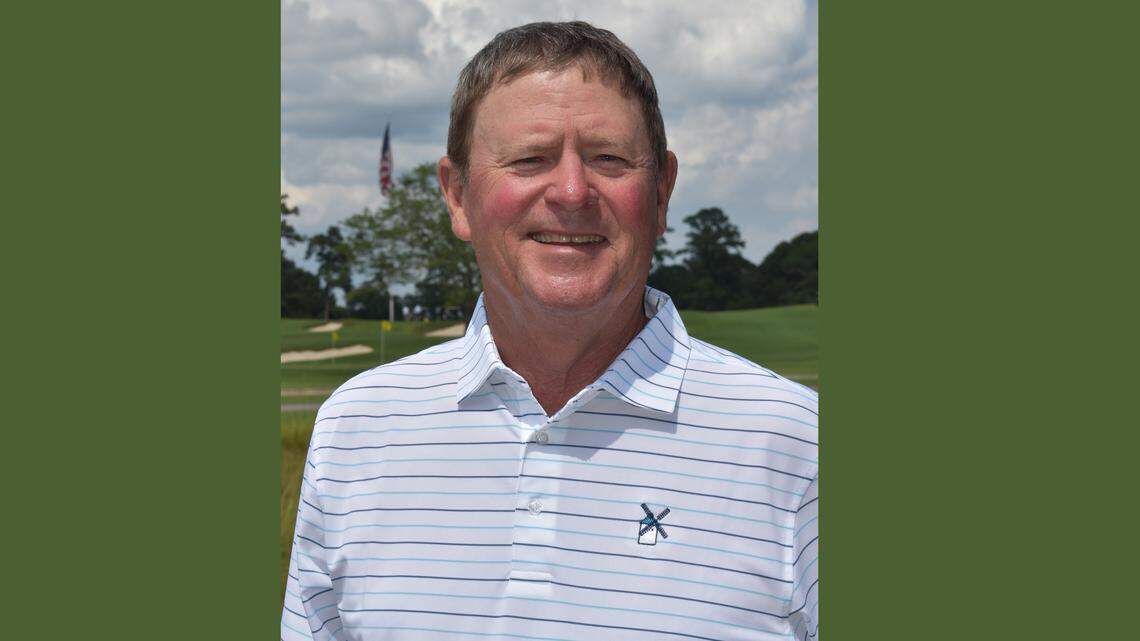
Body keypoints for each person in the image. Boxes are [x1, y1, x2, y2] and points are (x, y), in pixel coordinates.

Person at [283, 21, 819, 641]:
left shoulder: (797, 445)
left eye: (609, 159)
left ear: (662, 191)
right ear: (457, 196)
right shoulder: (357, 431)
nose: (571, 191)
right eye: (530, 159)